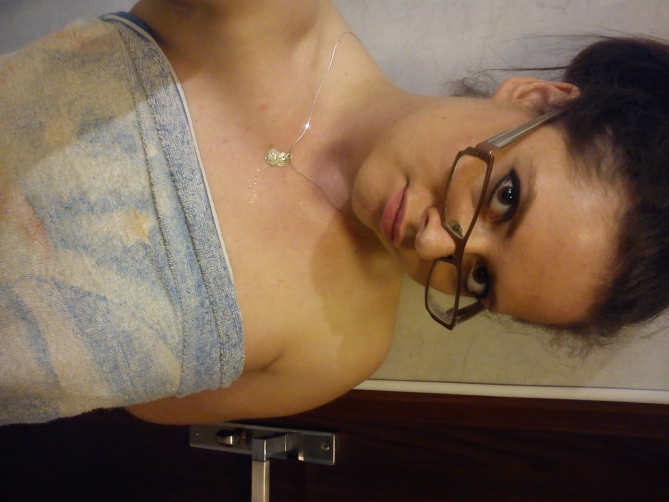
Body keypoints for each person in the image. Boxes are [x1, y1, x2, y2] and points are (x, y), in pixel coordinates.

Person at [1, 0, 667, 425]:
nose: (437, 244)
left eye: (479, 279)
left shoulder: (337, 352)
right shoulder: (272, 19)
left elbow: (136, 403)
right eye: (506, 197)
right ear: (538, 100)